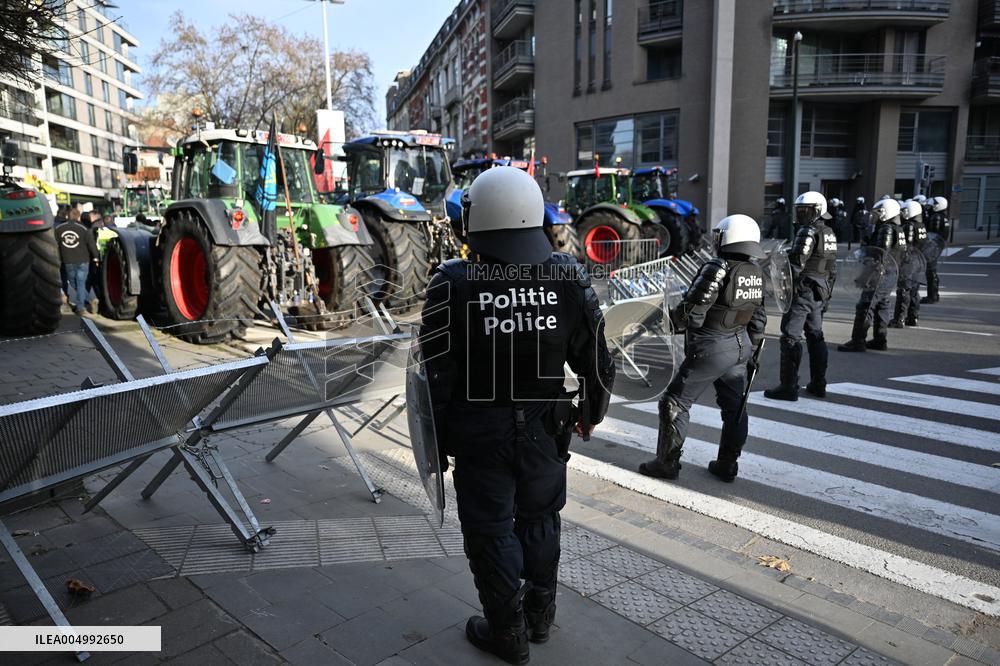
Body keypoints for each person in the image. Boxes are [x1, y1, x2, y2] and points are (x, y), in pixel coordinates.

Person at [420, 166, 614, 664]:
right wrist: (591, 412)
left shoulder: (452, 282)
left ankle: (507, 633)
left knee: (490, 530)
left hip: (480, 431)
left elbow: (434, 376)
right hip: (547, 427)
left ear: (474, 222)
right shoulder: (567, 275)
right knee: (541, 518)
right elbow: (597, 359)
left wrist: (434, 444)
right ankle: (540, 620)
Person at [639, 214, 767, 482]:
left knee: (674, 403)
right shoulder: (755, 272)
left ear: (728, 238)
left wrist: (666, 321)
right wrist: (753, 353)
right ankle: (728, 464)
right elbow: (758, 320)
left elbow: (690, 314)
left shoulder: (717, 267)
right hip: (741, 347)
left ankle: (667, 464)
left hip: (712, 347)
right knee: (736, 407)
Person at [764, 192, 838, 400]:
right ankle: (818, 383)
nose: (803, 214)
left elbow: (795, 265)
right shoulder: (829, 232)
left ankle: (788, 387)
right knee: (816, 336)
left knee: (790, 336)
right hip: (820, 290)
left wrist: (786, 287)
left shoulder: (808, 231)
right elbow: (830, 266)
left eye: (807, 210)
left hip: (803, 290)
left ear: (818, 211)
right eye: (801, 210)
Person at [838, 198, 906, 352]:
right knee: (882, 304)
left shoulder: (887, 229)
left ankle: (858, 341)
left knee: (865, 305)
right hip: (891, 272)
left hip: (880, 273)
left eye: (879, 212)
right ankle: (880, 339)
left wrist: (867, 275)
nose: (876, 216)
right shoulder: (899, 229)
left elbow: (880, 254)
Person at [889, 199, 927, 328]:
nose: (903, 213)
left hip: (908, 261)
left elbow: (906, 246)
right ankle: (913, 316)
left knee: (904, 290)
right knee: (914, 291)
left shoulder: (909, 226)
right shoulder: (921, 225)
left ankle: (899, 319)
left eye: (905, 210)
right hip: (919, 260)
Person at [57, 208, 99, 315]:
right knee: (80, 283)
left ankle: (83, 305)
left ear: (67, 216)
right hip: (83, 260)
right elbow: (91, 245)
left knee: (74, 283)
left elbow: (56, 245)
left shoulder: (59, 229)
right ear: (78, 217)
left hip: (68, 260)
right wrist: (96, 257)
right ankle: (87, 303)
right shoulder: (84, 229)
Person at [921, 196, 949, 304]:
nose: (930, 207)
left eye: (933, 205)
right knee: (932, 271)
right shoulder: (943, 216)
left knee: (931, 271)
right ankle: (934, 295)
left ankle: (932, 296)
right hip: (938, 245)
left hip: (933, 246)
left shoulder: (936, 217)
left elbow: (931, 234)